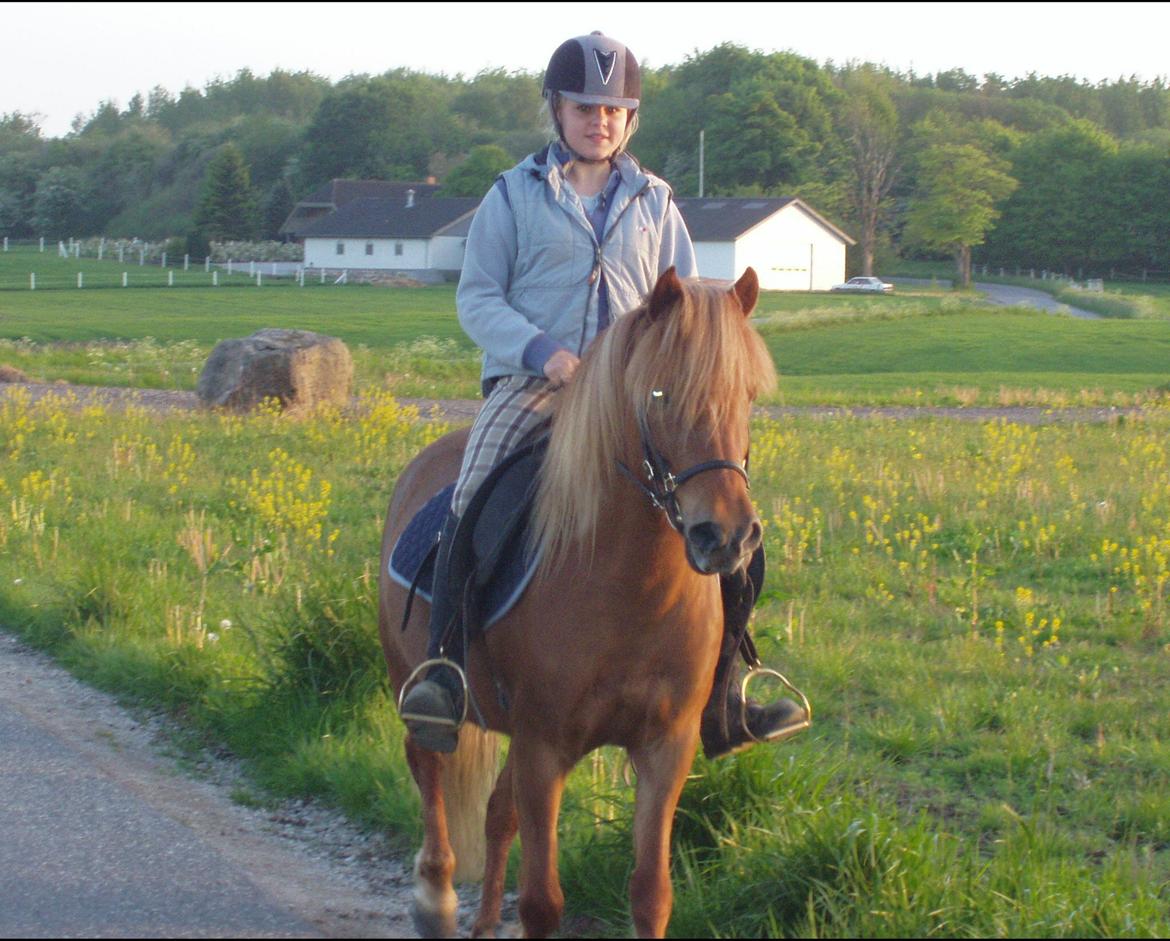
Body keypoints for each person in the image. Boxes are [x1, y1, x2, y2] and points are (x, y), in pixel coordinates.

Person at [399, 31, 808, 758]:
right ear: (556, 110)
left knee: (725, 503)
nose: (602, 122)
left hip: (632, 404)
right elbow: (478, 297)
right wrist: (543, 353)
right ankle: (444, 669)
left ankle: (725, 692)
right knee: (474, 489)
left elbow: (691, 302)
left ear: (631, 120)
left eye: (616, 110)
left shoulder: (656, 204)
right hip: (533, 387)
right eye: (587, 108)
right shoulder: (513, 196)